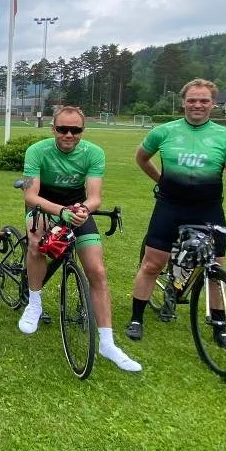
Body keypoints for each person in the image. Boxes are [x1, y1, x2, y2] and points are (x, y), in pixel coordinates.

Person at [127, 78, 226, 350]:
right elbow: (141, 157)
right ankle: (137, 317)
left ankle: (220, 329)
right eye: (192, 100)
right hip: (170, 206)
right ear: (183, 102)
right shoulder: (164, 132)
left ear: (213, 104)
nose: (197, 105)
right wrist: (160, 179)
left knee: (214, 269)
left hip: (207, 209)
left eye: (204, 100)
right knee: (152, 264)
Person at [18, 106, 141, 372]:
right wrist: (61, 211)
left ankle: (107, 343)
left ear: (83, 131)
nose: (69, 135)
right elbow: (30, 196)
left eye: (75, 130)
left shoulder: (94, 153)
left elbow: (95, 196)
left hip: (77, 208)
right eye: (62, 129)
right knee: (37, 242)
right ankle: (34, 303)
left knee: (97, 271)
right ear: (53, 129)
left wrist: (84, 209)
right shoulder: (36, 151)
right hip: (44, 205)